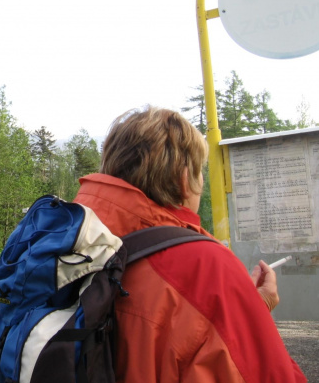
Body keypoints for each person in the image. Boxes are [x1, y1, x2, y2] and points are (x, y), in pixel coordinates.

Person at [73, 106, 306, 383]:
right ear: (186, 180)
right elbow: (265, 374)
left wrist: (243, 310)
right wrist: (250, 316)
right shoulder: (204, 267)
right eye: (201, 171)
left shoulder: (68, 239)